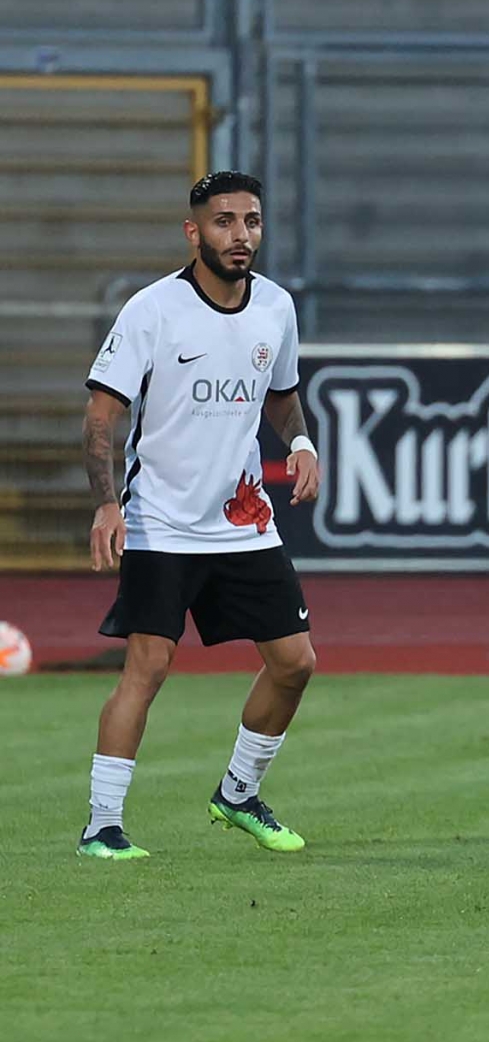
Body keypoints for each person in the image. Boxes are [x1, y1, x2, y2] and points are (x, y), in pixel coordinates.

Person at [76, 170, 321, 860]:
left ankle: (238, 792)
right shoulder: (153, 310)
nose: (240, 234)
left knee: (296, 662)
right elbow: (103, 416)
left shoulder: (275, 306)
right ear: (194, 231)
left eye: (251, 221)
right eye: (223, 221)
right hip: (162, 522)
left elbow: (280, 393)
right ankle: (102, 825)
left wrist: (299, 441)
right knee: (147, 667)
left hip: (243, 522)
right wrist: (106, 501)